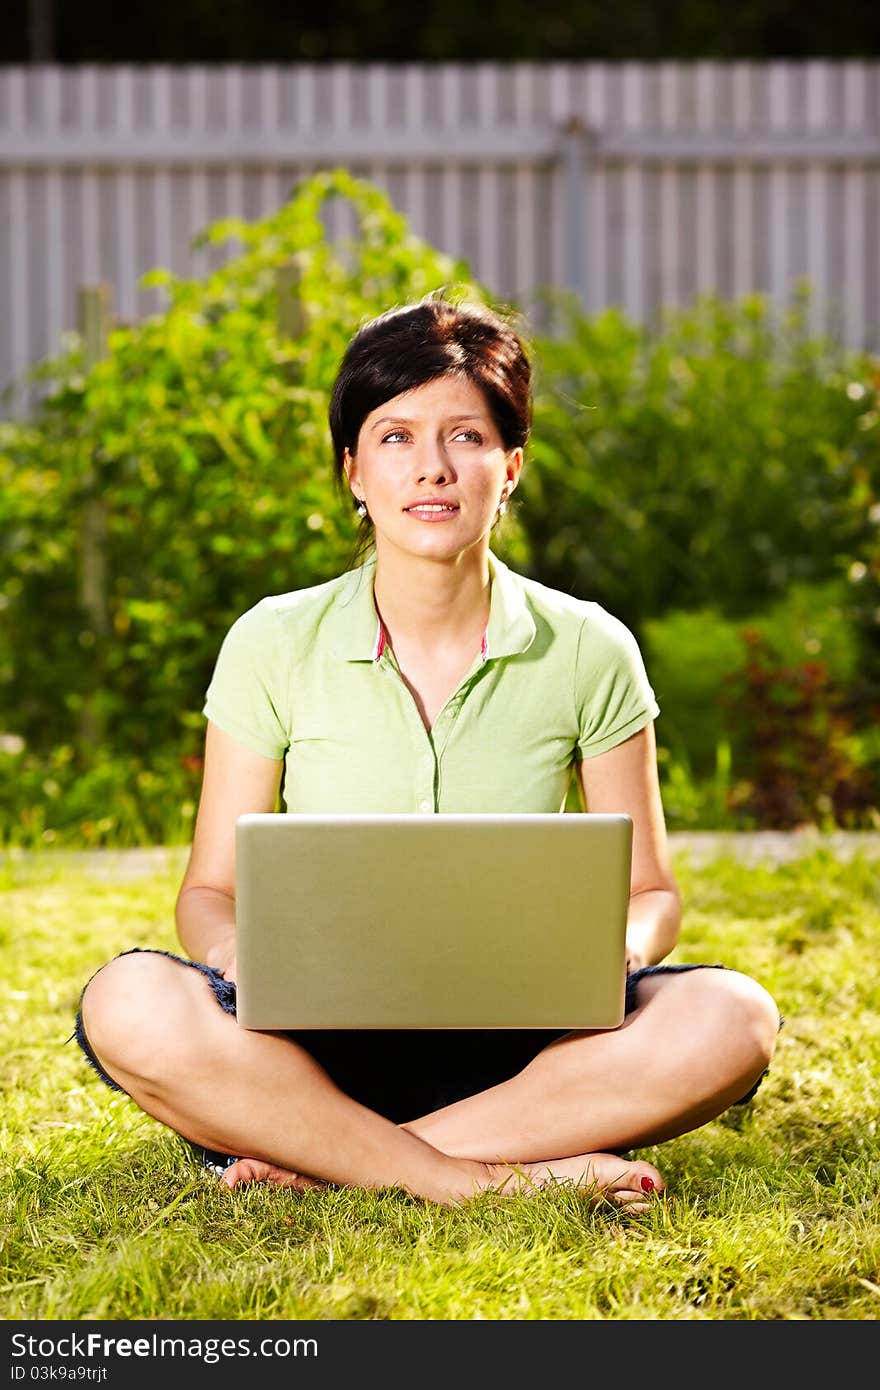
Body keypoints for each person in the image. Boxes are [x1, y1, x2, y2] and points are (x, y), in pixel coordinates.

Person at [74, 294, 781, 1213]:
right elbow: (209, 893)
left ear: (511, 465)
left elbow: (652, 894)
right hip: (310, 1043)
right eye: (396, 437)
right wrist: (236, 952)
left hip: (532, 1052)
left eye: (466, 437)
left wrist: (620, 950)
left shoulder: (589, 647)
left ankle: (331, 1161)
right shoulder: (271, 640)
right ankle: (482, 1181)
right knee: (126, 997)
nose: (433, 469)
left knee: (733, 1018)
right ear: (354, 472)